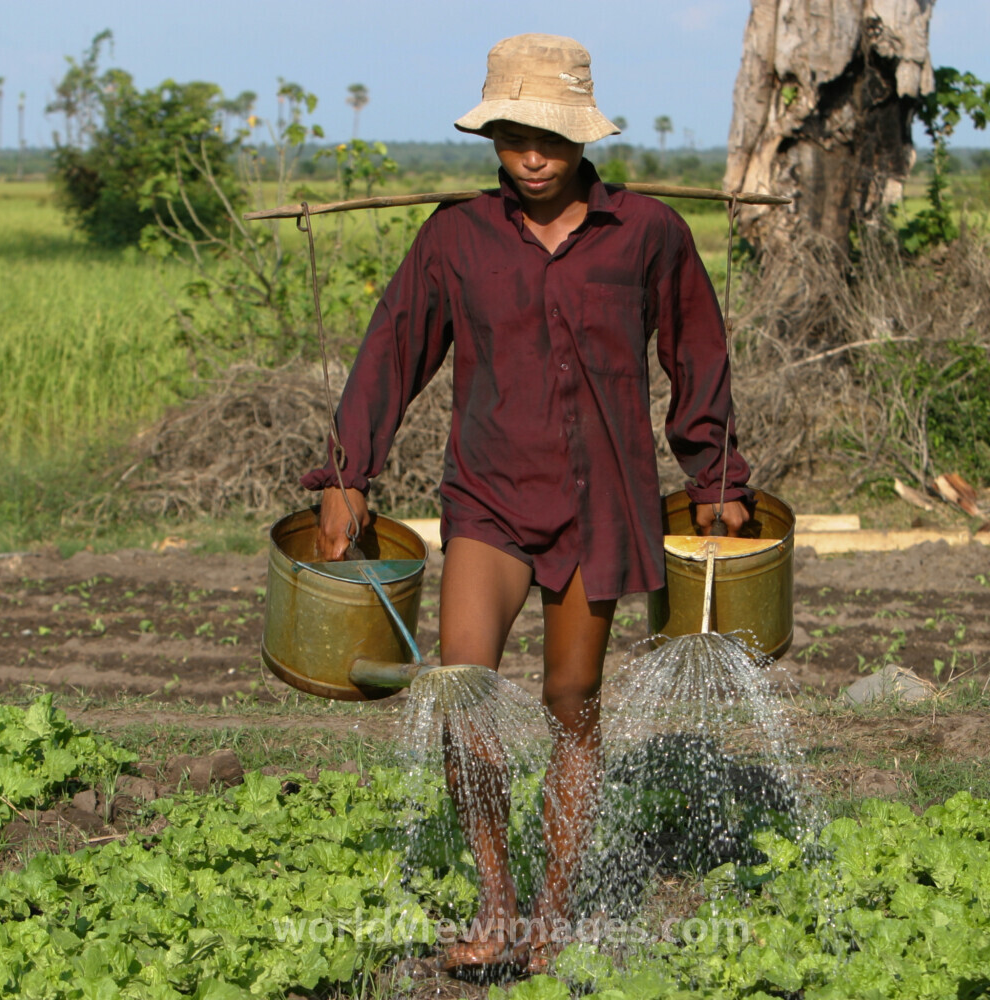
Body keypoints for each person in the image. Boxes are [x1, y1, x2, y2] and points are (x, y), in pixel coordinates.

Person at [301, 33, 752, 974]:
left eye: (548, 135)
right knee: (465, 691)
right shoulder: (456, 238)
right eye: (512, 136)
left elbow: (696, 356)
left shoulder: (647, 234)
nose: (532, 156)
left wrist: (716, 481)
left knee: (571, 701)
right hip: (490, 498)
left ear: (582, 135)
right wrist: (349, 473)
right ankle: (496, 902)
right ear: (493, 137)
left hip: (602, 503)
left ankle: (552, 915)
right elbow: (393, 350)